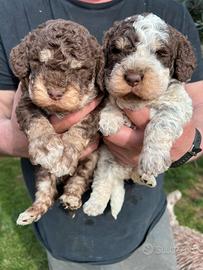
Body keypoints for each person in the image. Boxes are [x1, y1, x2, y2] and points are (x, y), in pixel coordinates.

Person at [0, 0, 203, 269]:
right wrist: (22, 139)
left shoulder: (168, 9)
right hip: (64, 232)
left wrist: (187, 146)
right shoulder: (12, 10)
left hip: (148, 221)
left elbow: (198, 103)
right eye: (118, 53)